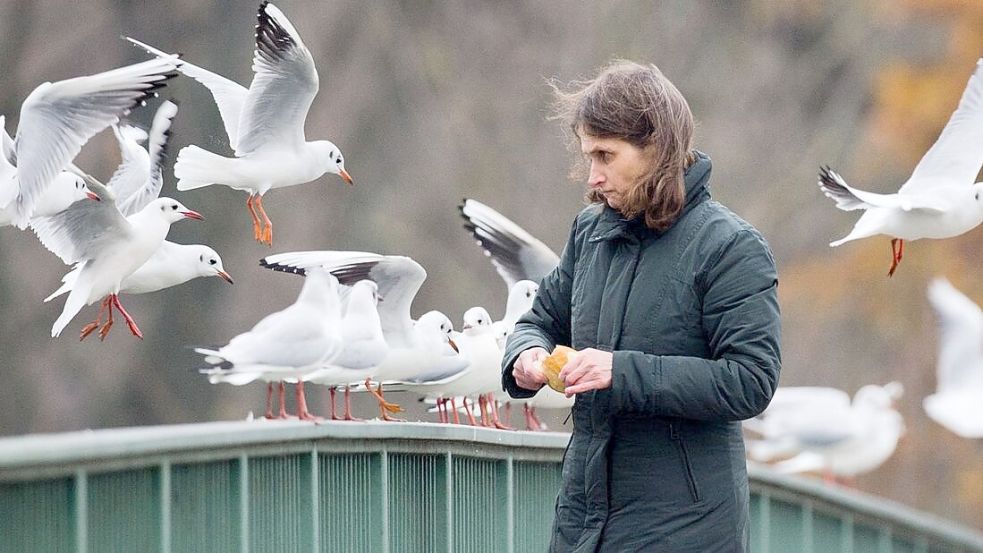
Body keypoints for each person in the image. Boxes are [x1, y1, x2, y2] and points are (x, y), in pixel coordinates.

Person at [502, 60, 781, 552]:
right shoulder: (589, 233)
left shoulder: (731, 246)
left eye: (606, 155)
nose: (594, 176)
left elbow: (750, 381)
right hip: (582, 524)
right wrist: (522, 355)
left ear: (656, 147)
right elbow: (540, 320)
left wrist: (621, 372)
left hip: (688, 531)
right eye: (589, 156)